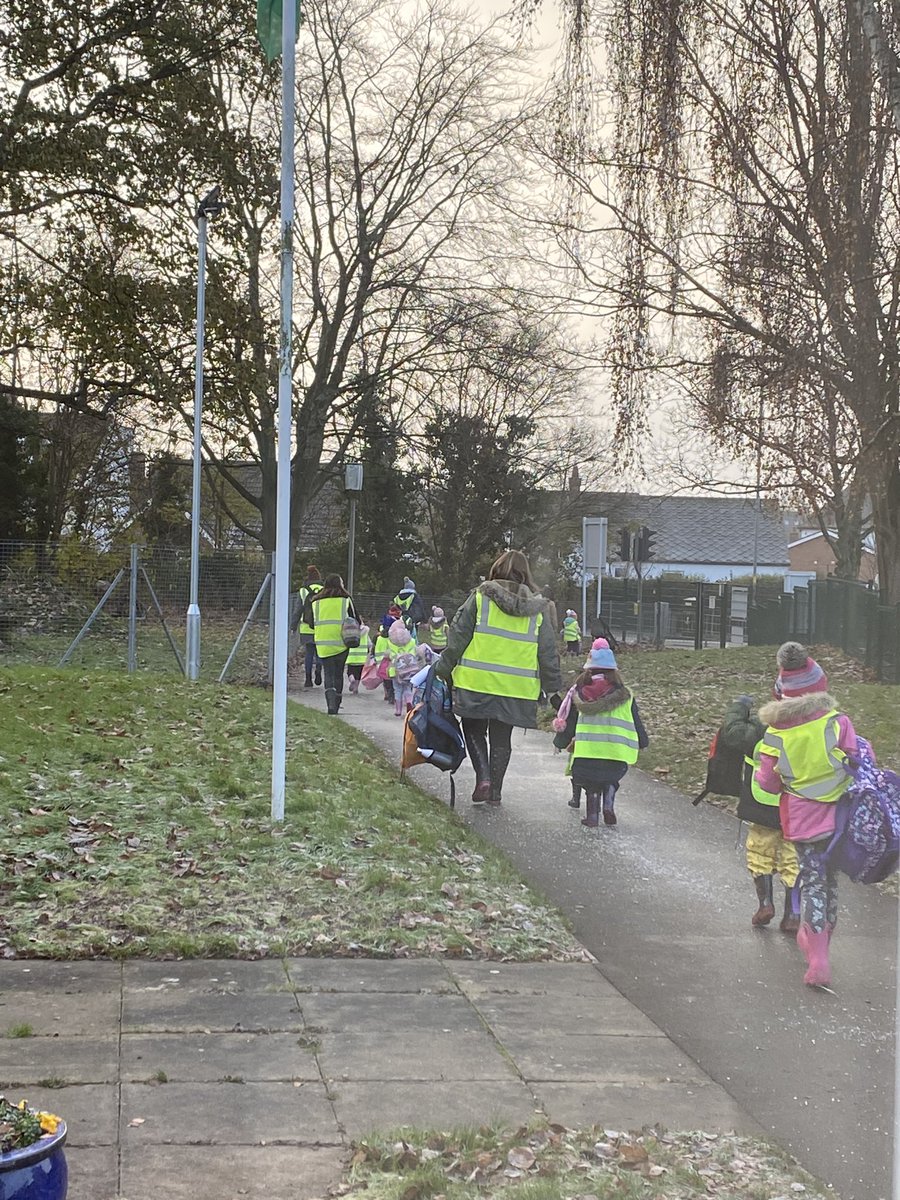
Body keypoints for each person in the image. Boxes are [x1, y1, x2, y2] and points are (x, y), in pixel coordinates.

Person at [755, 642, 858, 987]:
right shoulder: (838, 723)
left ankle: (818, 959)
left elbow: (768, 783)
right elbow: (858, 764)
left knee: (813, 881)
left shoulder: (776, 733)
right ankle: (821, 946)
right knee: (830, 883)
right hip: (841, 819)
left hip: (802, 820)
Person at [435, 549, 562, 806]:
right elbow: (548, 652)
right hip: (517, 687)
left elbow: (459, 635)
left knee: (473, 729)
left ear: (496, 570)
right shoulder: (537, 609)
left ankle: (483, 778)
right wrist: (553, 689)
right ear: (525, 574)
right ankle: (495, 793)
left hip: (476, 681)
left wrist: (442, 668)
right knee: (502, 738)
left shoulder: (481, 598)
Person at [719, 695, 800, 933]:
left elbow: (732, 734)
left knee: (759, 850)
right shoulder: (811, 729)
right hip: (797, 805)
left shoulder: (761, 727)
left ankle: (765, 904)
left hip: (762, 801)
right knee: (793, 857)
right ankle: (793, 914)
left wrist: (739, 707)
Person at [552, 638, 649, 827]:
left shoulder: (580, 693)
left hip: (587, 756)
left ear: (589, 669)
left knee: (590, 784)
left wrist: (560, 742)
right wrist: (643, 741)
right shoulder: (626, 695)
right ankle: (609, 802)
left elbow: (570, 722)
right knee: (610, 779)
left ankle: (592, 816)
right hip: (616, 756)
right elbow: (636, 721)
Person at [306, 574, 359, 715]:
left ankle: (330, 703)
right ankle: (337, 703)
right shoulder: (346, 600)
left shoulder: (315, 602)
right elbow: (355, 619)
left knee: (328, 673)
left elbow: (311, 623)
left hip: (323, 643)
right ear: (340, 584)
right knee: (338, 673)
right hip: (342, 641)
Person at [293, 565, 324, 688]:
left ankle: (307, 679)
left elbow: (298, 610)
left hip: (306, 627)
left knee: (309, 653)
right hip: (320, 627)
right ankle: (318, 670)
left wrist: (293, 626)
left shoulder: (303, 591)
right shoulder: (324, 590)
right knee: (320, 653)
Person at [387, 620, 418, 716]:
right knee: (408, 688)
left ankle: (398, 710)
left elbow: (389, 655)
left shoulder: (391, 642)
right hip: (410, 670)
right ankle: (409, 703)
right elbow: (415, 653)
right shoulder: (411, 641)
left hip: (395, 671)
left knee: (397, 690)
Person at [345, 618, 371, 695]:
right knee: (358, 674)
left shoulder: (349, 631)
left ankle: (351, 679)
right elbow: (369, 643)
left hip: (351, 656)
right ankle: (355, 688)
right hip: (361, 658)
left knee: (350, 671)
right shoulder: (365, 632)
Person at [373, 621, 394, 703]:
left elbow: (376, 649)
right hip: (389, 661)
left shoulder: (379, 639)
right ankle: (391, 694)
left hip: (380, 662)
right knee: (390, 679)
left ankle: (386, 693)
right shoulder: (391, 639)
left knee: (384, 680)